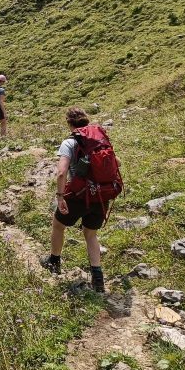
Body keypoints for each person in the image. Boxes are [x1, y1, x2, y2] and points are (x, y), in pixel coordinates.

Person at [41, 107, 107, 293]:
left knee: (58, 225)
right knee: (91, 234)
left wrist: (60, 196)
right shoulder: (100, 139)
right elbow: (116, 163)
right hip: (100, 195)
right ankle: (98, 277)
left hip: (78, 195)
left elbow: (61, 172)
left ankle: (54, 261)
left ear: (69, 124)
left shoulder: (70, 142)